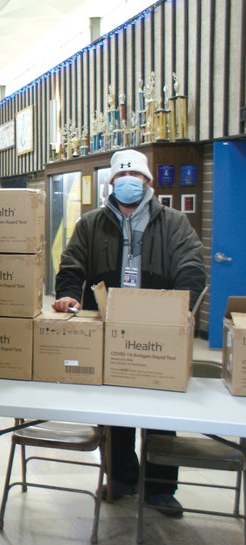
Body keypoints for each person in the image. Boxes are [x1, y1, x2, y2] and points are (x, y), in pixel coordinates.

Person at [53, 148, 205, 517]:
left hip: (159, 327)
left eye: (134, 178)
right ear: (110, 183)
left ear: (148, 182)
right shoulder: (91, 224)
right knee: (115, 409)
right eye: (120, 178)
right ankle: (120, 477)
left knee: (161, 410)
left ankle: (160, 487)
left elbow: (191, 265)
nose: (127, 184)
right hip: (108, 324)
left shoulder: (173, 223)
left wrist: (181, 306)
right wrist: (69, 295)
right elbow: (71, 264)